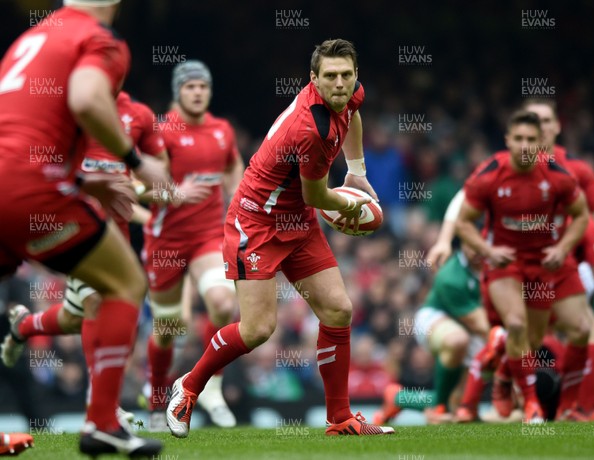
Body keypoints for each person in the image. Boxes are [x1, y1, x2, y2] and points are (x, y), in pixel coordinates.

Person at [166, 39, 394, 437]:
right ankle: (188, 387)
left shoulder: (351, 94)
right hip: (255, 222)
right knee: (257, 329)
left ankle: (339, 418)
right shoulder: (311, 129)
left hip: (296, 219)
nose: (340, 84)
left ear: (356, 75)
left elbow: (354, 114)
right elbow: (317, 197)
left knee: (338, 309)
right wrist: (353, 206)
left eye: (346, 75)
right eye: (330, 77)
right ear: (313, 79)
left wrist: (356, 171)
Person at [0, 1, 168, 455]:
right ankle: (101, 423)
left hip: (12, 179)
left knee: (86, 305)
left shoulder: (29, 41)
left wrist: (83, 178)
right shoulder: (98, 39)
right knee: (125, 284)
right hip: (31, 189)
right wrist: (137, 163)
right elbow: (87, 99)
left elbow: (26, 128)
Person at [455, 110, 590, 423]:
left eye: (532, 139)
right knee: (515, 325)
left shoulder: (557, 175)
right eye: (519, 139)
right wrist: (488, 249)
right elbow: (464, 223)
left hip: (546, 263)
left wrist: (563, 247)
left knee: (559, 334)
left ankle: (567, 406)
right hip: (508, 264)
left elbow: (581, 215)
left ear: (541, 142)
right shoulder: (488, 175)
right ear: (507, 141)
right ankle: (532, 407)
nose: (525, 145)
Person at [143, 60, 244, 431]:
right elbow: (143, 183)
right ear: (177, 91)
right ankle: (156, 401)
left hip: (206, 236)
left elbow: (234, 166)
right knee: (168, 327)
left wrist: (238, 194)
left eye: (203, 86)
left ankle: (210, 385)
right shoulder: (162, 131)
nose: (198, 92)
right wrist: (175, 192)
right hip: (165, 241)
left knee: (222, 303)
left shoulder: (222, 130)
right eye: (190, 87)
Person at [374, 242, 489, 425]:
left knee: (459, 406)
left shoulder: (498, 266)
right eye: (470, 244)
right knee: (457, 340)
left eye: (479, 243)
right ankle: (438, 408)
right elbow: (480, 324)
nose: (475, 250)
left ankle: (398, 398)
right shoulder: (451, 275)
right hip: (434, 321)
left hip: (470, 330)